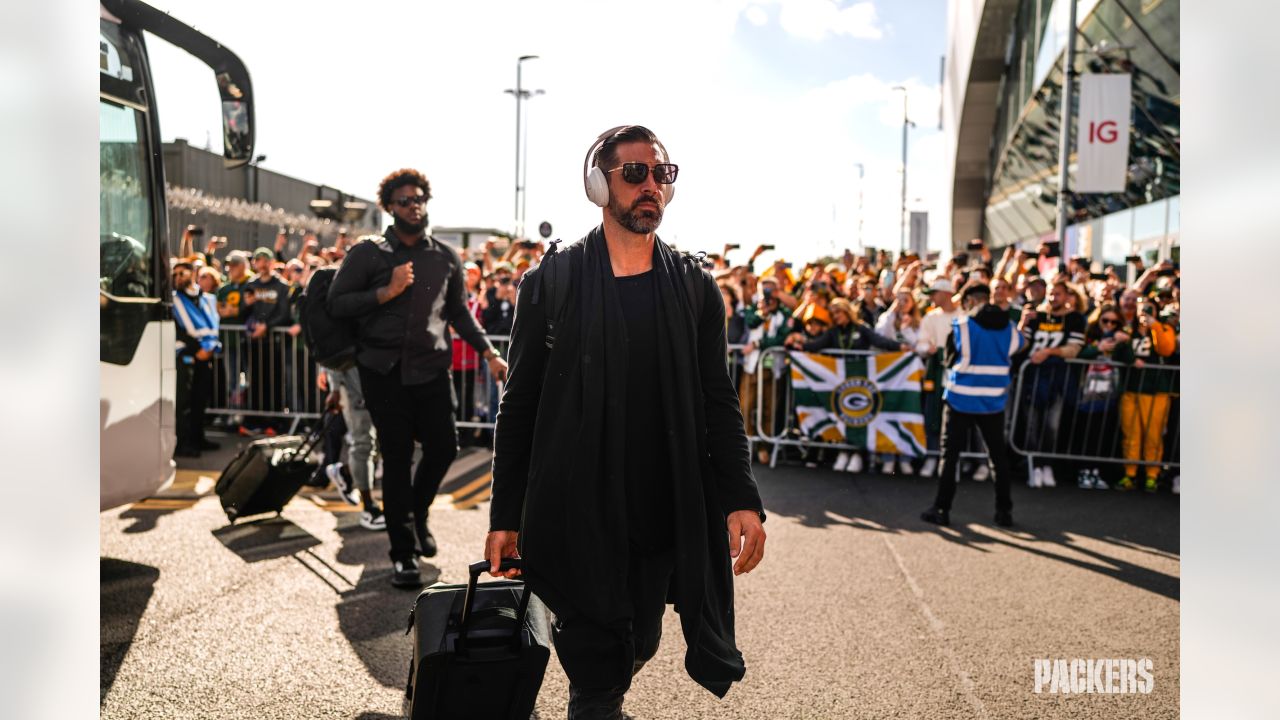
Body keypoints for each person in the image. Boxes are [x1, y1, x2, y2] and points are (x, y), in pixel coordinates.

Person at [486, 125, 766, 719]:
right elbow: (520, 402)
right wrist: (505, 514)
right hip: (576, 504)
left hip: (663, 506)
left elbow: (718, 398)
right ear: (598, 184)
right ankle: (594, 697)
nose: (651, 187)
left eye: (661, 174)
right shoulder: (552, 282)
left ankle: (599, 689)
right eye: (634, 173)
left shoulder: (693, 286)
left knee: (641, 639)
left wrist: (741, 497)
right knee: (597, 667)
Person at [328, 168, 506, 588]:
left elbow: (459, 312)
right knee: (395, 457)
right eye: (405, 200)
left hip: (431, 369)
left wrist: (490, 352)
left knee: (445, 447)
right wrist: (384, 293)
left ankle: (416, 511)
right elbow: (337, 303)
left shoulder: (443, 256)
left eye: (420, 198)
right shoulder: (367, 253)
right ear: (389, 206)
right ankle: (403, 553)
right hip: (382, 372)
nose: (414, 206)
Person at [921, 281, 1026, 528]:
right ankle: (1004, 512)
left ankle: (941, 508)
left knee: (950, 457)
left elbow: (948, 360)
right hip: (993, 400)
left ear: (968, 301)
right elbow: (1020, 347)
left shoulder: (961, 325)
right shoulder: (1009, 327)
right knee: (997, 457)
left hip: (960, 399)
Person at [1016, 277, 1086, 488]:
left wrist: (1048, 352)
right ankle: (1033, 466)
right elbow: (1019, 345)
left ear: (1067, 296)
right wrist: (1023, 323)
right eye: (1051, 294)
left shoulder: (1075, 318)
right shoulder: (1036, 315)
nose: (1053, 297)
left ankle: (1046, 464)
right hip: (1032, 379)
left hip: (1058, 380)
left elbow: (1073, 349)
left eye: (1058, 294)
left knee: (1051, 426)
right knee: (1031, 425)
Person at [171, 259, 222, 457]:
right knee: (184, 403)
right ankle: (183, 443)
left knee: (200, 400)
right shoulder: (173, 299)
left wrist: (208, 347)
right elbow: (176, 329)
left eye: (182, 273)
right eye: (174, 274)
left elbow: (211, 323)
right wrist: (195, 350)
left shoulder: (205, 298)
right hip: (186, 356)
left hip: (205, 354)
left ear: (193, 274)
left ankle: (198, 438)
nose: (177, 278)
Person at [241, 247, 294, 434]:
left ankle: (274, 421)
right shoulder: (251, 284)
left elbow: (285, 313)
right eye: (258, 261)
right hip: (254, 342)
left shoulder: (281, 286)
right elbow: (242, 310)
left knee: (274, 382)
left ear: (272, 263)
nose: (262, 265)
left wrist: (267, 326)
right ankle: (254, 421)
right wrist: (247, 307)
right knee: (254, 381)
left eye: (265, 261)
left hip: (275, 343)